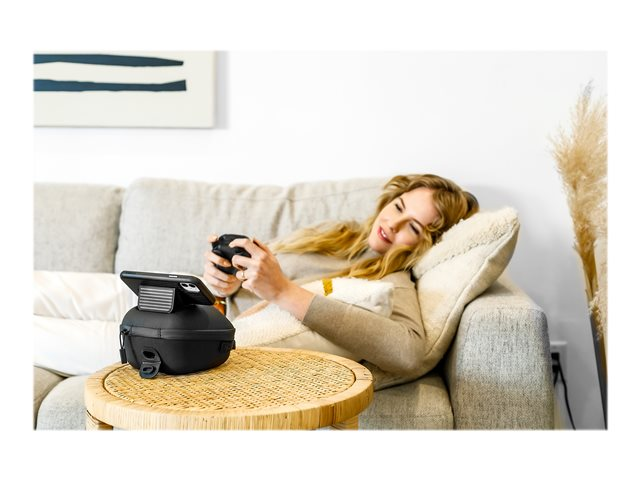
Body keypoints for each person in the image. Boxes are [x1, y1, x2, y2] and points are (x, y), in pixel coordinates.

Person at [202, 174, 479, 387]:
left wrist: (284, 292)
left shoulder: (392, 281)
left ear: (428, 243)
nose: (393, 224)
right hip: (211, 314)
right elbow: (250, 281)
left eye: (413, 227)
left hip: (228, 352)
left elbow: (409, 353)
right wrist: (227, 282)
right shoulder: (332, 232)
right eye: (398, 207)